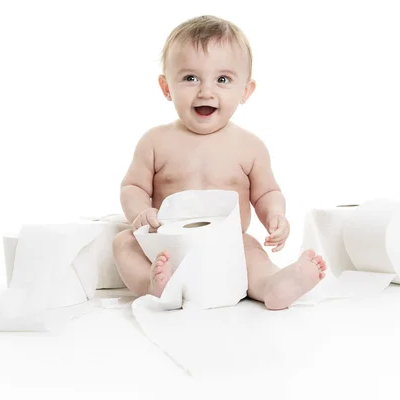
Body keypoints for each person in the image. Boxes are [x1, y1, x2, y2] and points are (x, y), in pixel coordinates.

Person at [112, 15, 326, 310]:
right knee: (123, 243)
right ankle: (152, 285)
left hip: (229, 246)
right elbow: (132, 186)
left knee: (250, 250)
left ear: (245, 91)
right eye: (190, 78)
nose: (206, 91)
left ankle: (273, 285)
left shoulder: (250, 147)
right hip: (168, 247)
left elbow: (266, 192)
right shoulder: (155, 142)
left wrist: (274, 216)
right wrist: (140, 212)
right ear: (166, 87)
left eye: (222, 79)